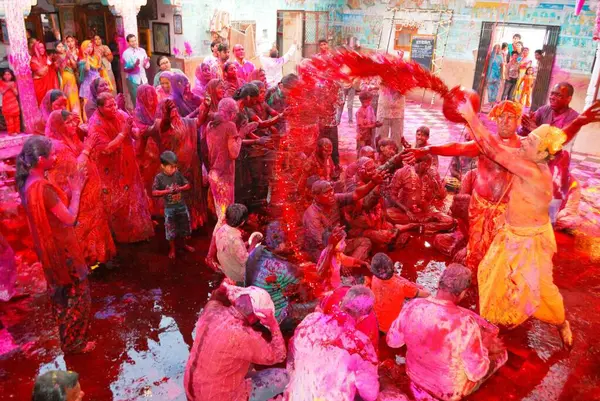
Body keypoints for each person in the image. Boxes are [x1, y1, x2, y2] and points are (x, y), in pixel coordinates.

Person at [459, 99, 573, 346]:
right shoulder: (530, 159)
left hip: (529, 241)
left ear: (543, 153)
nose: (525, 140)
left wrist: (471, 117)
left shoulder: (532, 171)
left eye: (531, 141)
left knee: (540, 291)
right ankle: (490, 322)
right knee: (488, 272)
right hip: (510, 233)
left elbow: (493, 151)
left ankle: (560, 321)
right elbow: (492, 146)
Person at [407, 101, 523, 271]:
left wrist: (578, 122)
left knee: (499, 260)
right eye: (501, 117)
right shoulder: (484, 144)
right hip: (480, 208)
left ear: (518, 120)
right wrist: (427, 149)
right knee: (474, 254)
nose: (505, 121)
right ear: (495, 120)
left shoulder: (526, 147)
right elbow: (457, 147)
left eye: (510, 117)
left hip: (506, 212)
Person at [16, 136, 93, 353]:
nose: (56, 158)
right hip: (62, 252)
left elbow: (53, 212)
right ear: (41, 159)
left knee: (63, 297)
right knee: (75, 297)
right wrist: (77, 191)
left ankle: (70, 341)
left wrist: (68, 192)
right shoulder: (42, 187)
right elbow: (69, 218)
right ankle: (75, 344)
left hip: (52, 251)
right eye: (53, 155)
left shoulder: (27, 182)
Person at [387, 263, 508, 401]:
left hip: (413, 374)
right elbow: (476, 373)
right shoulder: (466, 324)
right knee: (502, 355)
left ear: (439, 283)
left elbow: (392, 342)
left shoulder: (413, 306)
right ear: (462, 293)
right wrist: (484, 347)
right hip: (448, 392)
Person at [184, 281, 288, 401]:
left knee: (245, 361)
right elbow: (279, 355)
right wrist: (273, 325)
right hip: (217, 397)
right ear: (255, 317)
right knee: (284, 376)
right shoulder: (243, 336)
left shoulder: (211, 311)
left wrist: (222, 289)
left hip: (192, 391)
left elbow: (215, 297)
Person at [520, 83, 600, 223]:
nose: (552, 97)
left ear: (568, 99)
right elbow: (525, 134)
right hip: (537, 160)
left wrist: (535, 129)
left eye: (559, 95)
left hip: (557, 163)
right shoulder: (544, 110)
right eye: (552, 93)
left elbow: (558, 144)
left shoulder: (574, 117)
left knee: (553, 197)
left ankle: (550, 222)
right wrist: (524, 126)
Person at [45, 110, 116, 266]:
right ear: (58, 126)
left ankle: (98, 259)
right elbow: (74, 169)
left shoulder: (71, 138)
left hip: (90, 196)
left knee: (95, 229)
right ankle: (85, 263)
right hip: (78, 198)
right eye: (68, 122)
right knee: (82, 232)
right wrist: (87, 148)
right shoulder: (58, 146)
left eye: (73, 121)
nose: (73, 125)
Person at [285, 285, 379, 401]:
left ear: (342, 302)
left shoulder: (311, 320)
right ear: (364, 316)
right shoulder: (362, 346)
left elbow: (291, 348)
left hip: (296, 395)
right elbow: (370, 394)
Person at [88, 92, 154, 243]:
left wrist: (136, 129)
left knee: (134, 193)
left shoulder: (121, 114)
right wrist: (123, 133)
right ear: (99, 107)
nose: (114, 108)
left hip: (128, 162)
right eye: (109, 106)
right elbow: (106, 148)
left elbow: (135, 135)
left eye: (115, 104)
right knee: (118, 199)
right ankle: (122, 235)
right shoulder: (95, 124)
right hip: (110, 168)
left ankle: (139, 229)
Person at [245, 221, 314, 326]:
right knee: (316, 306)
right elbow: (306, 282)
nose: (290, 244)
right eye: (288, 240)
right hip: (276, 316)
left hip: (254, 310)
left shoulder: (256, 252)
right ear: (281, 244)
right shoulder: (283, 267)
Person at [302, 177, 385, 262]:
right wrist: (340, 257)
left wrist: (372, 183)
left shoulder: (335, 199)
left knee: (366, 242)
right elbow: (322, 246)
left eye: (331, 190)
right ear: (316, 196)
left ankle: (347, 266)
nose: (331, 194)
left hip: (339, 243)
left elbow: (355, 195)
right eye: (326, 193)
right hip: (323, 252)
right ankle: (344, 266)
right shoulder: (312, 216)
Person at [159, 92, 208, 230]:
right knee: (181, 197)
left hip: (193, 165)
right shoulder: (164, 126)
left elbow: (200, 120)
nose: (173, 109)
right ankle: (182, 229)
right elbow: (164, 124)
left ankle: (194, 222)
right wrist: (167, 114)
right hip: (178, 168)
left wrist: (207, 105)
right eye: (169, 108)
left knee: (193, 194)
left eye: (174, 107)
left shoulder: (187, 122)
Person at [368, 252, 428, 333]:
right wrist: (423, 288)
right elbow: (426, 294)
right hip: (391, 327)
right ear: (393, 267)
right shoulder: (402, 286)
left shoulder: (374, 278)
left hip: (376, 322)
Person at [152, 151, 195, 259]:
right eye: (171, 167)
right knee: (170, 230)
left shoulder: (177, 174)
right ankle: (172, 249)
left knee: (184, 227)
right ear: (163, 166)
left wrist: (179, 188)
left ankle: (184, 244)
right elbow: (154, 192)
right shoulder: (159, 177)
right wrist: (167, 191)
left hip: (181, 206)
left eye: (175, 167)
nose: (174, 169)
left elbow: (188, 185)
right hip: (169, 209)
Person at [215, 203, 262, 283]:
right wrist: (254, 243)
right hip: (237, 274)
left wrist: (246, 243)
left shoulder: (221, 229)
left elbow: (231, 247)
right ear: (242, 222)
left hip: (226, 266)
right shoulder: (236, 240)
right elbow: (246, 260)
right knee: (261, 254)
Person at [318, 79, 344, 168]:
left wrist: (332, 103)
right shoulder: (319, 85)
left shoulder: (338, 85)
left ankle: (335, 167)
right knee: (320, 146)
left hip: (332, 122)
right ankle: (320, 167)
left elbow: (341, 101)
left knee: (333, 146)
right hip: (320, 122)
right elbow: (316, 102)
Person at [79, 40, 106, 119]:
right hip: (88, 84)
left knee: (98, 102)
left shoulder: (93, 58)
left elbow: (99, 68)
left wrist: (100, 58)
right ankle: (88, 121)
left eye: (91, 46)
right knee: (87, 104)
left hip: (96, 84)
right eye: (88, 47)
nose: (90, 48)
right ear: (83, 48)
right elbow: (87, 69)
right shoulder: (82, 60)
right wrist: (87, 57)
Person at [376, 83, 407, 149]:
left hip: (398, 110)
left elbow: (409, 86)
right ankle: (380, 157)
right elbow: (378, 83)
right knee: (381, 138)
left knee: (397, 139)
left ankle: (395, 157)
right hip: (384, 109)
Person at [122, 34, 150, 107]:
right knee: (136, 101)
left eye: (135, 40)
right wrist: (133, 65)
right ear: (128, 43)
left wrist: (146, 63)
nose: (134, 43)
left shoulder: (142, 50)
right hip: (133, 80)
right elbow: (125, 68)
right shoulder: (126, 53)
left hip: (143, 78)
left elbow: (147, 65)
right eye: (131, 41)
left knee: (146, 99)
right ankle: (138, 117)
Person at [54, 42, 81, 115]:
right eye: (59, 47)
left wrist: (69, 57)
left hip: (72, 78)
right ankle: (69, 115)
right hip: (63, 79)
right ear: (55, 48)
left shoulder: (68, 55)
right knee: (67, 97)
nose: (61, 48)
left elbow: (75, 66)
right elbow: (58, 68)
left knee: (74, 97)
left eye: (62, 46)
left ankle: (77, 116)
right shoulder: (56, 57)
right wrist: (65, 59)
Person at [30, 40, 60, 105]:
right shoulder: (33, 61)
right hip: (40, 87)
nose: (42, 49)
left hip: (49, 86)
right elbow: (41, 73)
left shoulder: (45, 57)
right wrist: (48, 63)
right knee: (43, 105)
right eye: (40, 48)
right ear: (35, 49)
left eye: (43, 47)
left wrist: (55, 63)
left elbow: (53, 70)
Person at [0, 69, 20, 135]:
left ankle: (17, 131)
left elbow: (16, 93)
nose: (7, 76)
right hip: (6, 104)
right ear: (3, 76)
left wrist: (12, 88)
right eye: (5, 74)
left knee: (16, 118)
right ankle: (11, 132)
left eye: (8, 74)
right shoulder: (1, 82)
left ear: (11, 75)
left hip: (14, 104)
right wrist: (8, 87)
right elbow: (2, 92)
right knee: (9, 119)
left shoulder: (14, 83)